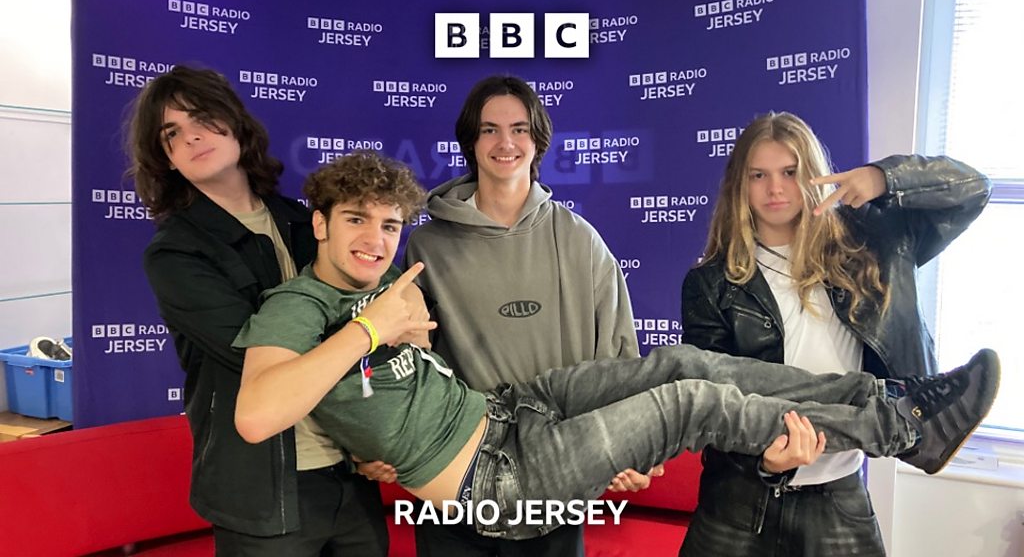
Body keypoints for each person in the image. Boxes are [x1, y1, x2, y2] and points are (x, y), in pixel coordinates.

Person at [232, 150, 1000, 544]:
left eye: (389, 224)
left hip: (511, 413)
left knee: (677, 364)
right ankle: (900, 429)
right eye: (356, 220)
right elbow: (258, 414)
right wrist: (373, 329)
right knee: (688, 401)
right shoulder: (298, 307)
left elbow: (372, 394)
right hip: (497, 481)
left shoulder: (378, 293)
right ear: (320, 224)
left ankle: (891, 401)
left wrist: (383, 335)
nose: (375, 239)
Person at [678, 111, 993, 556]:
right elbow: (712, 400)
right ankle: (903, 422)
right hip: (739, 497)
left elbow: (974, 189)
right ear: (739, 186)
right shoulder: (711, 283)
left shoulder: (871, 243)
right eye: (758, 175)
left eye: (790, 172)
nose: (775, 188)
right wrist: (764, 460)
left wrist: (886, 177)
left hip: (837, 496)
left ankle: (904, 419)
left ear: (813, 175)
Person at [130, 65, 389, 556]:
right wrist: (370, 330)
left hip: (351, 474)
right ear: (166, 158)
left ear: (235, 122)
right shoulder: (175, 254)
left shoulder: (304, 221)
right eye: (172, 134)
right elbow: (262, 358)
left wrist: (376, 439)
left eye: (201, 118)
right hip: (262, 492)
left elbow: (366, 319)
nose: (191, 137)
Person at [403, 74, 646, 556]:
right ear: (471, 142)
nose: (505, 143)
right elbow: (411, 362)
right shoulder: (427, 246)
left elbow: (619, 357)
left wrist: (626, 442)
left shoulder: (580, 240)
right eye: (489, 130)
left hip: (556, 472)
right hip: (456, 474)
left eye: (519, 129)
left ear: (537, 141)